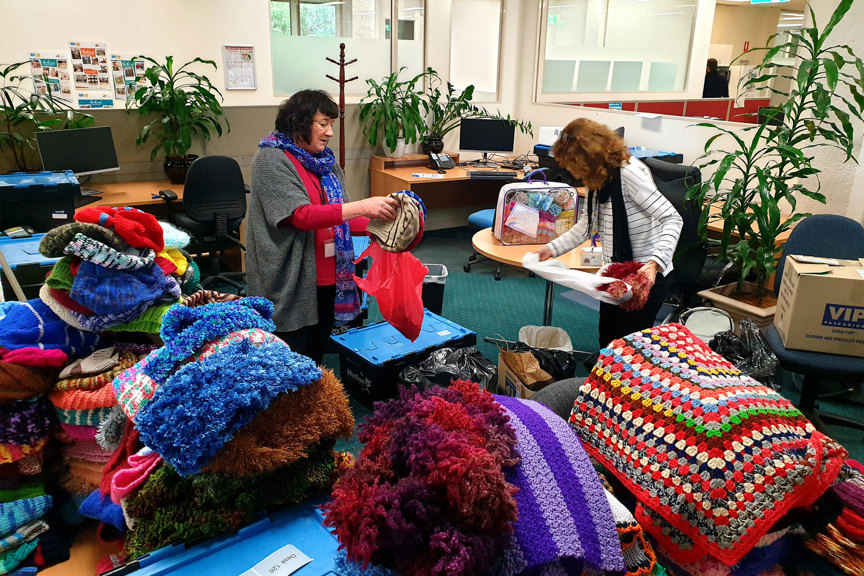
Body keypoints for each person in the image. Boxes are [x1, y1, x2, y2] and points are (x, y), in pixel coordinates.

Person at [248, 89, 398, 364]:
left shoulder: (325, 162)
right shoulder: (271, 160)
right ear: (298, 123)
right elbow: (302, 216)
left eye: (332, 124)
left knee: (316, 348)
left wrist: (385, 226)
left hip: (330, 275)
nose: (330, 132)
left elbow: (343, 216)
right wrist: (365, 206)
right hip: (293, 278)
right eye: (323, 124)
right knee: (288, 354)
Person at [535, 118, 683, 349]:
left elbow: (673, 218)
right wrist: (550, 249)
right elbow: (587, 227)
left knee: (631, 346)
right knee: (608, 338)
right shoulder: (598, 179)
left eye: (573, 164)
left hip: (646, 275)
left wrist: (654, 265)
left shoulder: (629, 174)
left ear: (589, 156)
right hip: (616, 272)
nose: (570, 170)